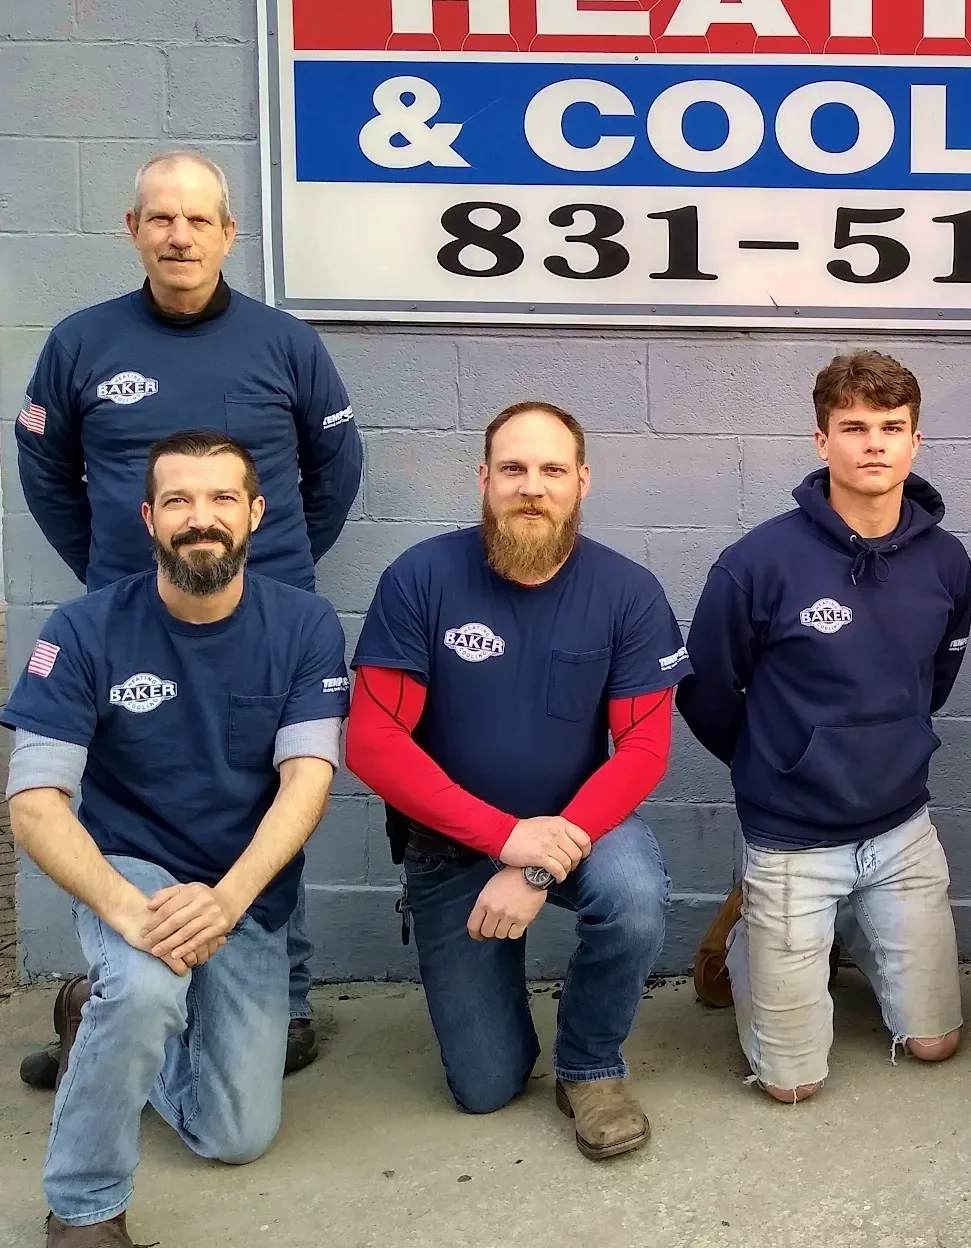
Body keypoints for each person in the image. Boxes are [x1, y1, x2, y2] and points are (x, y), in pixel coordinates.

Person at [13, 150, 363, 1086]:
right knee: (132, 799)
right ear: (133, 230)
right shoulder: (81, 343)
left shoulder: (285, 344)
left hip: (264, 614)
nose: (179, 236)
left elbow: (336, 471)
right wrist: (107, 570)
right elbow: (46, 473)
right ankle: (114, 990)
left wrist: (278, 566)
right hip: (137, 612)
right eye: (161, 219)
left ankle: (286, 998)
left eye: (198, 219)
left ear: (228, 233)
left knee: (275, 794)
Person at [2, 431, 349, 1248]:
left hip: (243, 890)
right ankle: (84, 1210)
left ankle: (93, 1017)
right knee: (145, 986)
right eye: (179, 501)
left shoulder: (304, 625)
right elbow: (36, 802)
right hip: (133, 871)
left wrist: (227, 902)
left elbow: (306, 782)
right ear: (149, 518)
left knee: (235, 1137)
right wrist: (130, 913)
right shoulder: (83, 630)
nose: (202, 518)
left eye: (222, 498)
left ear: (255, 513)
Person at [344, 402, 684, 1161]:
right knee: (485, 1086)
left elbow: (642, 750)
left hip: (578, 829)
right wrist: (502, 838)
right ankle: (503, 1028)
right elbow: (371, 743)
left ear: (582, 482)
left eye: (552, 470)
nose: (533, 487)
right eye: (514, 469)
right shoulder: (421, 579)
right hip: (451, 845)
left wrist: (535, 862)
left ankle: (590, 1065)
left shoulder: (627, 592)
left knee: (633, 896)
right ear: (484, 479)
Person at [680, 351, 971, 1104]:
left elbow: (934, 681)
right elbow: (705, 691)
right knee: (792, 1086)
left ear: (915, 440)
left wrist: (891, 743)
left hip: (901, 829)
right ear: (822, 441)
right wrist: (778, 762)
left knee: (936, 1044)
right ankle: (750, 932)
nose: (874, 443)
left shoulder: (948, 563)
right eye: (853, 427)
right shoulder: (758, 563)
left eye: (891, 427)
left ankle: (857, 935)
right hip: (792, 837)